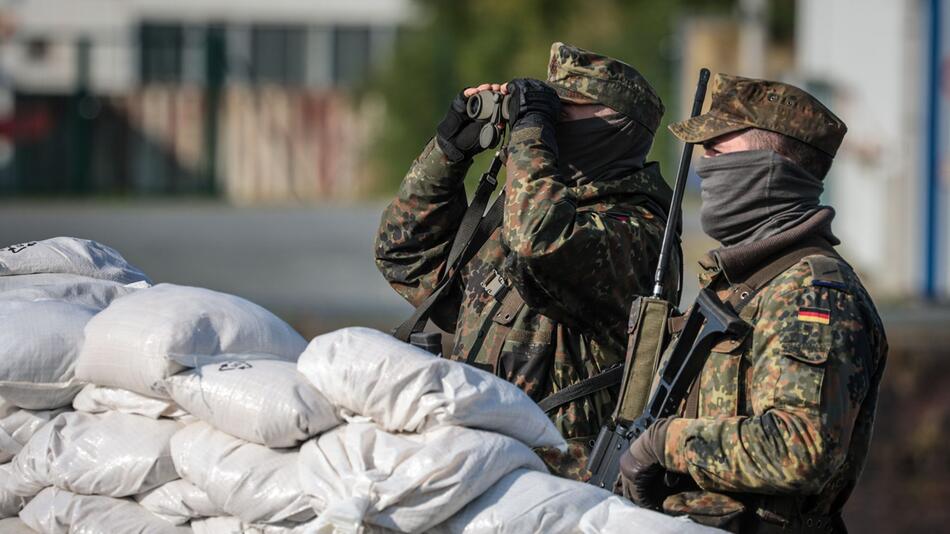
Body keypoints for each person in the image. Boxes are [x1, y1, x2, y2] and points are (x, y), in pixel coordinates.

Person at [375, 42, 680, 478]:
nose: (551, 122)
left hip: (561, 481)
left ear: (614, 126)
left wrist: (531, 132)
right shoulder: (530, 207)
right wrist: (449, 153)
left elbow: (539, 240)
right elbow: (402, 254)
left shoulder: (636, 229)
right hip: (481, 461)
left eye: (565, 109)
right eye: (547, 109)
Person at [618, 74, 888, 534]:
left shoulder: (811, 292)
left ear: (769, 165)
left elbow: (801, 449)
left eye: (717, 147)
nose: (704, 164)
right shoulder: (740, 285)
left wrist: (665, 444)